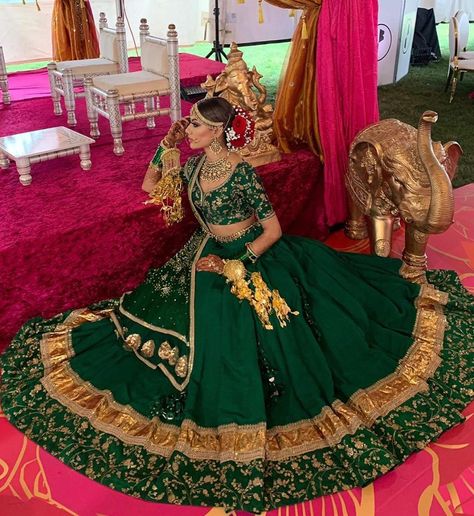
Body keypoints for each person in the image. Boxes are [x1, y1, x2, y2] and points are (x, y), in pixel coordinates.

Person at [0, 97, 472, 514]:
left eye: (197, 125)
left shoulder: (241, 173)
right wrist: (164, 148)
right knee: (148, 318)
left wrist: (239, 264)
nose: (189, 130)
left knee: (263, 332)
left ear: (220, 131)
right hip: (203, 253)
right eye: (188, 122)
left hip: (252, 256)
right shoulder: (191, 168)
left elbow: (274, 231)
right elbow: (151, 187)